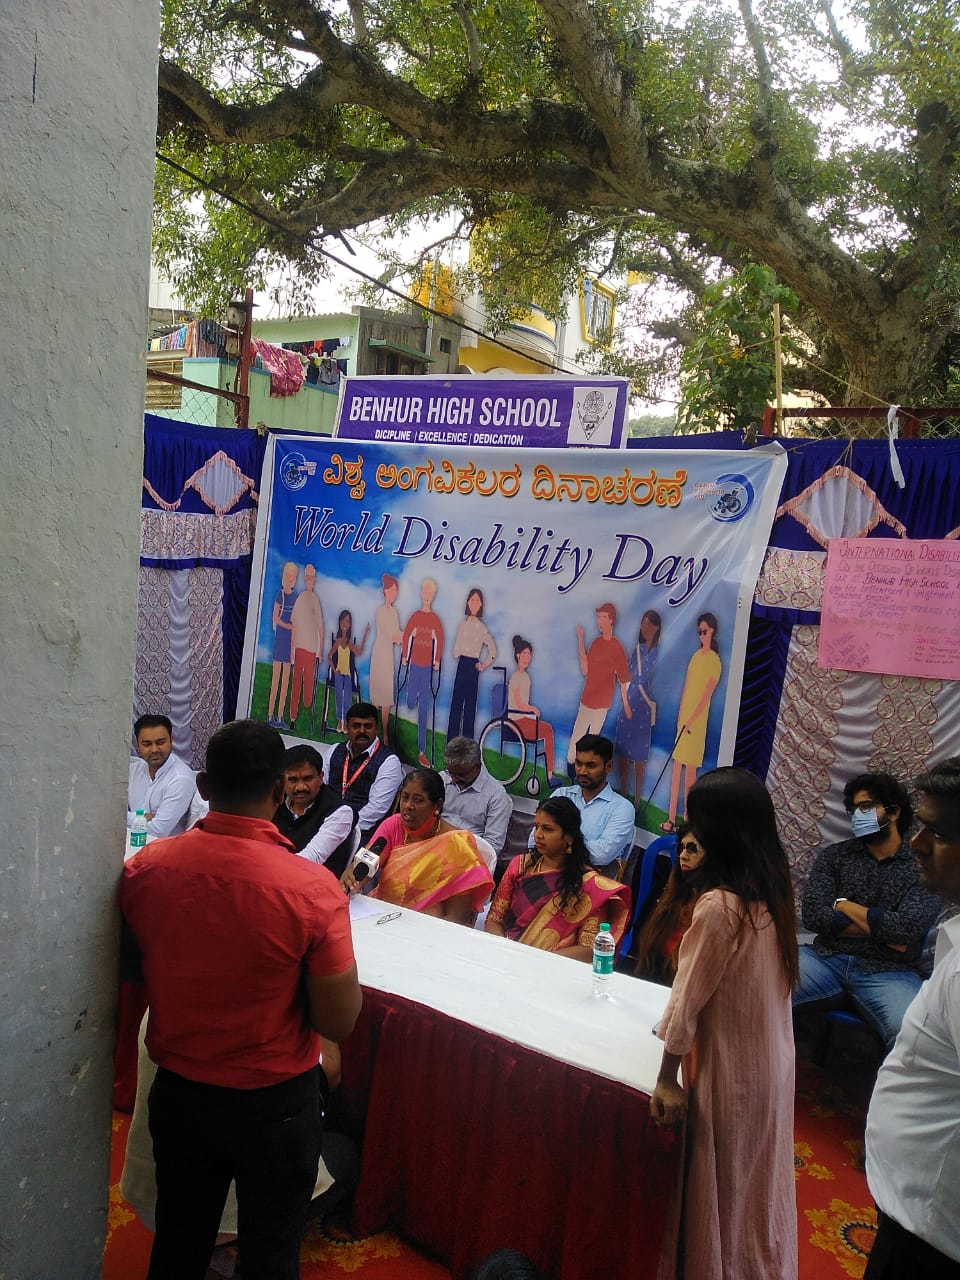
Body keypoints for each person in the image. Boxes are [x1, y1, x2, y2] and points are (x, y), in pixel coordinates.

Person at [120, 719, 362, 1280]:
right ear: (280, 790)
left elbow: (131, 970)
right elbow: (339, 1020)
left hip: (180, 1091)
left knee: (179, 1242)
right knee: (271, 1252)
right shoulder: (312, 890)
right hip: (273, 1102)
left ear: (203, 786)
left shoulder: (146, 869)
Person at [650, 766, 798, 1280]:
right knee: (754, 1187)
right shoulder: (771, 889)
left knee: (721, 1185)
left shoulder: (720, 905)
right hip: (772, 1066)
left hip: (730, 1068)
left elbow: (686, 1001)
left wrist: (667, 1078)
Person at [864, 756, 960, 1278]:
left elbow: (901, 931)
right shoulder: (841, 856)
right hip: (915, 1209)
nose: (918, 844)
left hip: (931, 1227)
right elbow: (818, 915)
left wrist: (858, 915)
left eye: (938, 833)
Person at [792, 770, 942, 1049]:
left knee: (913, 1035)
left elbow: (907, 929)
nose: (857, 816)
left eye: (865, 807)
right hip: (825, 959)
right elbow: (813, 915)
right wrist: (885, 932)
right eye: (853, 810)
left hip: (890, 972)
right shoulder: (836, 856)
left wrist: (843, 905)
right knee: (763, 990)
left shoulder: (922, 865)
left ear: (893, 812)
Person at [343, 768, 495, 926]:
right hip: (381, 917)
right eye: (405, 797)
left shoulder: (458, 847)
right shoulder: (393, 825)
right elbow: (364, 866)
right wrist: (352, 877)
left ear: (437, 805)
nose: (408, 806)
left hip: (430, 929)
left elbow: (457, 917)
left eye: (418, 800)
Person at [486, 796, 630, 960]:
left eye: (547, 829)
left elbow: (588, 948)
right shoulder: (519, 865)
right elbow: (494, 919)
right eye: (536, 827)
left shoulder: (589, 885)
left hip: (554, 965)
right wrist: (504, 952)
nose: (538, 835)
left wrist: (537, 960)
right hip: (506, 956)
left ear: (569, 837)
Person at [539, 734, 636, 876]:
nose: (583, 771)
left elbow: (601, 855)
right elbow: (534, 840)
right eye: (579, 764)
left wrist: (555, 844)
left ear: (608, 766)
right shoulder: (562, 794)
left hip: (589, 883)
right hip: (546, 874)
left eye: (591, 766)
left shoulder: (622, 808)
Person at [661, 612, 722, 833]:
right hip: (684, 719)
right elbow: (687, 688)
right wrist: (681, 716)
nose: (701, 635)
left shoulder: (714, 661)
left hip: (697, 723)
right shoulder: (696, 656)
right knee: (676, 769)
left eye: (705, 631)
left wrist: (691, 719)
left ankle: (687, 820)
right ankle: (670, 819)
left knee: (690, 774)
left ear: (712, 631)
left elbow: (706, 696)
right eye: (699, 631)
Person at [634, 824, 705, 985]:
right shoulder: (663, 891)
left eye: (692, 849)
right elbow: (639, 941)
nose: (683, 856)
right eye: (681, 848)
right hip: (650, 980)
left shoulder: (713, 905)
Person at [272, 745, 357, 878]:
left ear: (321, 777)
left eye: (307, 779)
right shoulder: (276, 800)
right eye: (293, 780)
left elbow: (311, 858)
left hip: (316, 884)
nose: (300, 787)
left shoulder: (340, 812)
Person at [566, 603, 631, 772]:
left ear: (611, 620)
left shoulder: (617, 647)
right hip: (587, 699)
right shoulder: (596, 643)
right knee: (577, 737)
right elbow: (585, 669)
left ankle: (584, 775)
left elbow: (623, 679)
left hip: (602, 704)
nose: (599, 621)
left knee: (591, 743)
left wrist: (626, 705)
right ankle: (570, 772)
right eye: (598, 617)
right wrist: (581, 640)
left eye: (603, 617)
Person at [328, 701, 403, 844]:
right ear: (347, 727)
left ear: (376, 728)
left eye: (368, 726)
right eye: (356, 726)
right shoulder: (334, 750)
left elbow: (376, 810)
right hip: (327, 822)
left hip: (361, 832)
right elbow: (321, 789)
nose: (362, 731)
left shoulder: (389, 762)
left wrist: (341, 828)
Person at [441, 736, 512, 870]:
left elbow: (492, 848)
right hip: (435, 849)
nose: (454, 779)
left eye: (461, 775)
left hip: (469, 860)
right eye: (451, 773)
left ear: (478, 766)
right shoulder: (442, 779)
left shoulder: (496, 795)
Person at [615, 609, 661, 806]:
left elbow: (641, 676)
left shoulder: (656, 652)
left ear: (656, 627)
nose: (645, 627)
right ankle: (624, 794)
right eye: (644, 623)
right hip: (629, 702)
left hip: (643, 706)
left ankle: (636, 800)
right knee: (623, 755)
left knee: (639, 757)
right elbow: (627, 676)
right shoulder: (637, 650)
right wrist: (625, 702)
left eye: (649, 623)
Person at [507, 634, 565, 788]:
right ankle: (549, 775)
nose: (528, 656)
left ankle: (550, 774)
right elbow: (519, 703)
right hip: (515, 721)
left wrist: (530, 711)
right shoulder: (515, 677)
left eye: (529, 653)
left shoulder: (526, 677)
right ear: (518, 655)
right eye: (525, 653)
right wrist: (532, 709)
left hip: (523, 718)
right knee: (547, 730)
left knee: (547, 729)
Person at [127, 714, 198, 838]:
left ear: (171, 740)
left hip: (166, 847)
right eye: (147, 744)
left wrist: (128, 818)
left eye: (160, 742)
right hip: (131, 843)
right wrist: (143, 818)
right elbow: (108, 811)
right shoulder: (132, 771)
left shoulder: (180, 779)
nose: (154, 749)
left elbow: (158, 831)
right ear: (138, 745)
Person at [401, 577, 444, 766]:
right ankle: (414, 696)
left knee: (423, 708)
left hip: (427, 668)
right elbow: (407, 635)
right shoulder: (416, 616)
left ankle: (421, 750)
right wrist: (405, 655)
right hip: (414, 665)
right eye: (425, 592)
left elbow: (440, 639)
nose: (427, 595)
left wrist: (437, 660)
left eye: (430, 593)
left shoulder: (435, 619)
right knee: (411, 701)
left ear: (433, 596)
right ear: (422, 593)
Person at [447, 587, 497, 741]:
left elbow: (492, 649)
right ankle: (451, 743)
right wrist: (458, 652)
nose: (474, 603)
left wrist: (483, 665)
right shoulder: (463, 623)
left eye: (477, 600)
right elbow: (456, 647)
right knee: (456, 705)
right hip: (462, 664)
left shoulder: (482, 627)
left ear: (481, 604)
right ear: (468, 602)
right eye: (472, 600)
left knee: (470, 708)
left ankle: (467, 744)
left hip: (473, 667)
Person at [369, 573, 403, 746]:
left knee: (387, 698)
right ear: (386, 591)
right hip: (380, 654)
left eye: (396, 590)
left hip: (388, 655)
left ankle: (385, 736)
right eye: (392, 590)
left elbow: (396, 633)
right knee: (377, 696)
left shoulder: (394, 612)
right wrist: (404, 635)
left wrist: (406, 635)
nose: (394, 593)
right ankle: (373, 733)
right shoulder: (380, 611)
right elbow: (391, 634)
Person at [288, 563, 324, 729]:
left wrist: (320, 651)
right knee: (296, 682)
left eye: (312, 577)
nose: (310, 579)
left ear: (314, 579)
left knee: (308, 684)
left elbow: (320, 627)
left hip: (311, 650)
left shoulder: (315, 600)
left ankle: (307, 703)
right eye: (308, 577)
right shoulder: (301, 598)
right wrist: (292, 650)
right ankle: (293, 717)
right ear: (305, 578)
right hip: (299, 647)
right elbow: (294, 625)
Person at [327, 609, 369, 734]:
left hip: (348, 675)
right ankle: (340, 721)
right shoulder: (338, 641)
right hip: (339, 673)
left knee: (347, 698)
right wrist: (334, 669)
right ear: (340, 622)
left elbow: (359, 652)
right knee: (339, 695)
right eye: (343, 621)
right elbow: (329, 656)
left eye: (347, 621)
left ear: (350, 624)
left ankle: (345, 720)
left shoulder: (349, 643)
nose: (345, 624)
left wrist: (365, 634)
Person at [267, 560, 298, 728]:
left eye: (294, 576)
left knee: (285, 682)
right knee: (275, 680)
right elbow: (276, 618)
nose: (291, 579)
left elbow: (297, 619)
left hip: (289, 642)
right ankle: (270, 715)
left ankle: (280, 717)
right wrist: (288, 626)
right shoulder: (280, 595)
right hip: (280, 639)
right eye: (289, 575)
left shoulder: (296, 596)